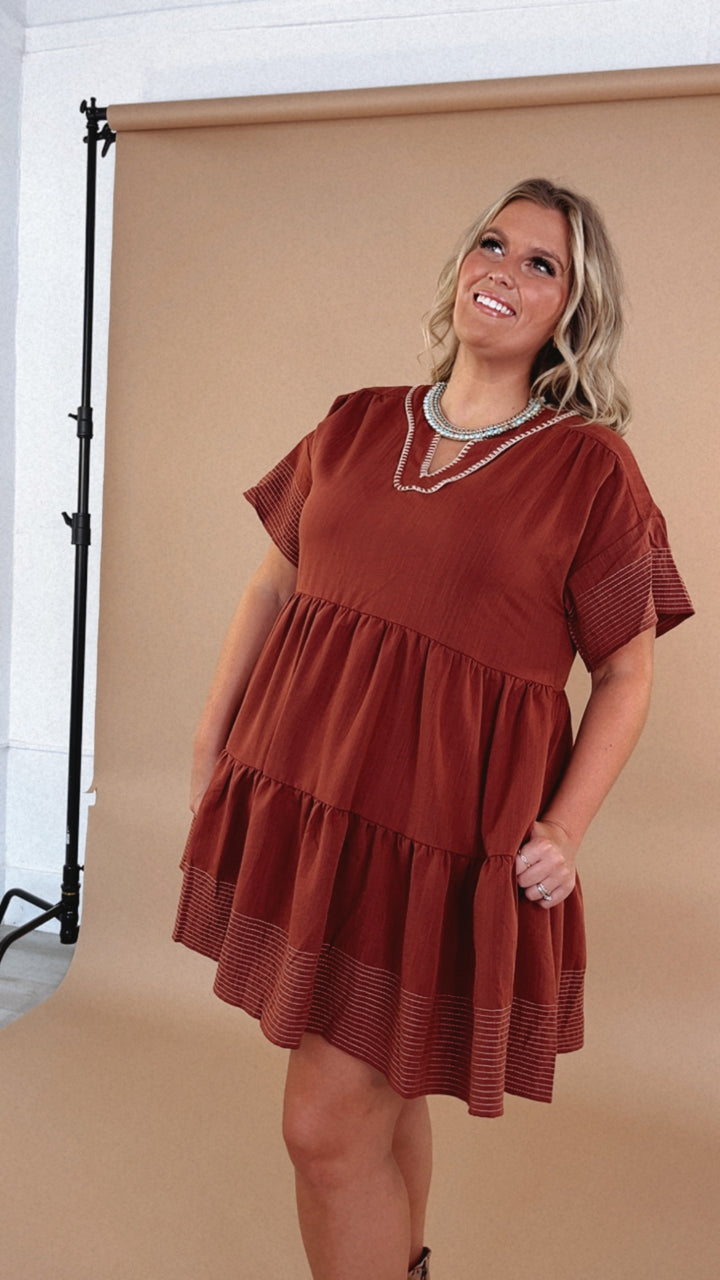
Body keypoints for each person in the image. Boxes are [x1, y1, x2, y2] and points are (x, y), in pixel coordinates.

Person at [173, 177, 693, 1280]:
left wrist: (567, 827)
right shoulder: (358, 420)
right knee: (377, 1095)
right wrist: (213, 742)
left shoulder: (590, 468)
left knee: (325, 1123)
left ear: (572, 310)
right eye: (492, 244)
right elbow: (274, 586)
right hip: (311, 804)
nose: (504, 271)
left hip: (441, 844)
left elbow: (625, 669)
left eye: (542, 263)